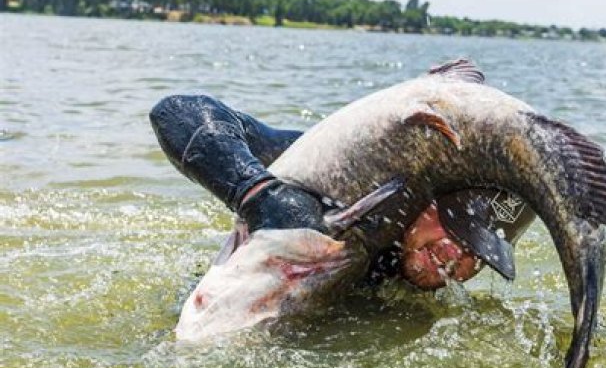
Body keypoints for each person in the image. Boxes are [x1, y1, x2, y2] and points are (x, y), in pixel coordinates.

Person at [149, 94, 533, 289]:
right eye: (456, 230)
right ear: (426, 198)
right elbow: (178, 112)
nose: (454, 255)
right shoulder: (330, 179)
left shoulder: (429, 290)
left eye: (479, 252)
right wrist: (259, 195)